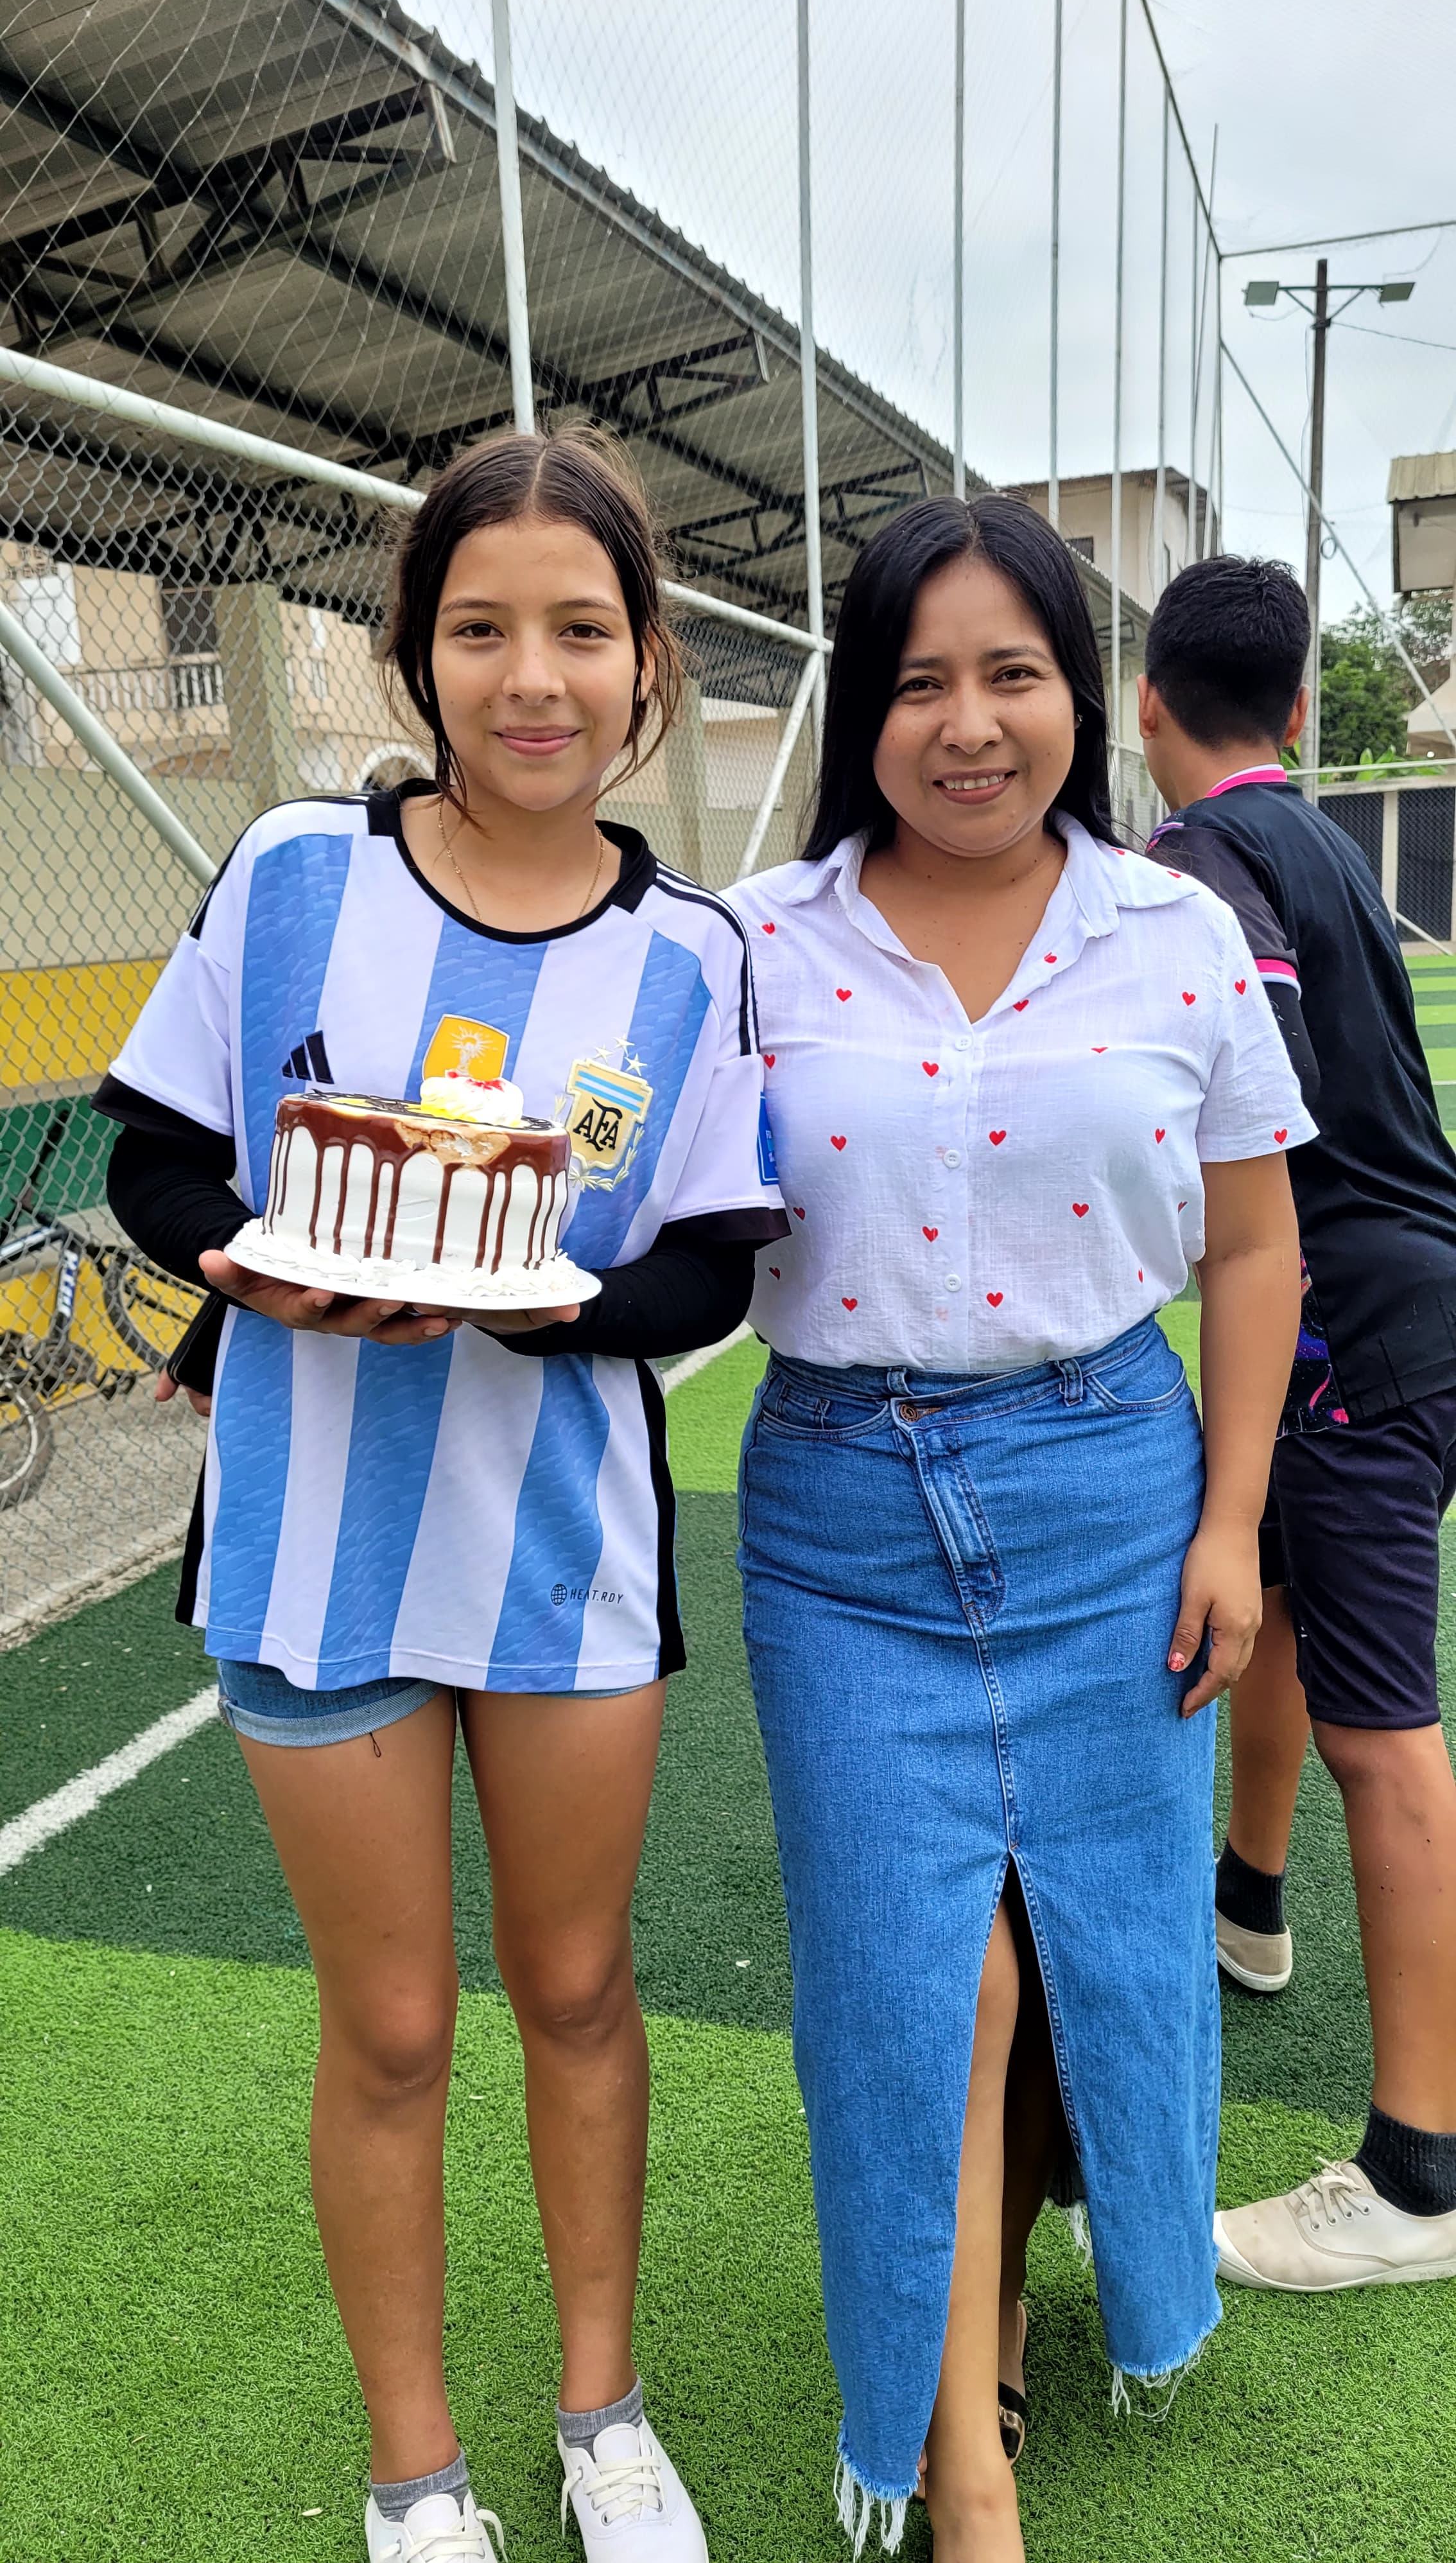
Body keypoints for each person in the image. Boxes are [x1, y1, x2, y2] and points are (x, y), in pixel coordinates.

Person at [93, 428, 785, 2563]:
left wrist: (525, 1302)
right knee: (390, 2027)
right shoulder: (295, 871)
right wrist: (263, 1268)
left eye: (579, 630)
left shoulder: (693, 956)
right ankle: (418, 2479)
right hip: (309, 1548)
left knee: (576, 1992)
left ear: (648, 660)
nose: (531, 678)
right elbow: (158, 1161)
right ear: (415, 654)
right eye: (481, 629)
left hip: (565, 1564)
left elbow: (705, 1263)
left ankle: (604, 2422)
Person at [729, 494, 1308, 2560]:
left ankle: (1011, 2316)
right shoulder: (754, 941)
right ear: (860, 712)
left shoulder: (1173, 933)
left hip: (1109, 1498)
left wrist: (1231, 1526)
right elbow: (628, 1191)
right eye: (916, 683)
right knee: (918, 1986)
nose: (965, 725)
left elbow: (1254, 1246)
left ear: (1085, 691)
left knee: (1101, 1958)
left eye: (1011, 674)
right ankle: (959, 2457)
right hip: (838, 1523)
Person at [1140, 554, 1456, 2290]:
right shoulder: (1318, 837)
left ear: (1143, 703)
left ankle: (1420, 2177)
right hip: (1405, 1302)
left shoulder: (1200, 858)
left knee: (1382, 1734)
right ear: (1294, 706)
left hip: (1349, 1333)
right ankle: (1246, 1909)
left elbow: (1244, 1101)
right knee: (1260, 1592)